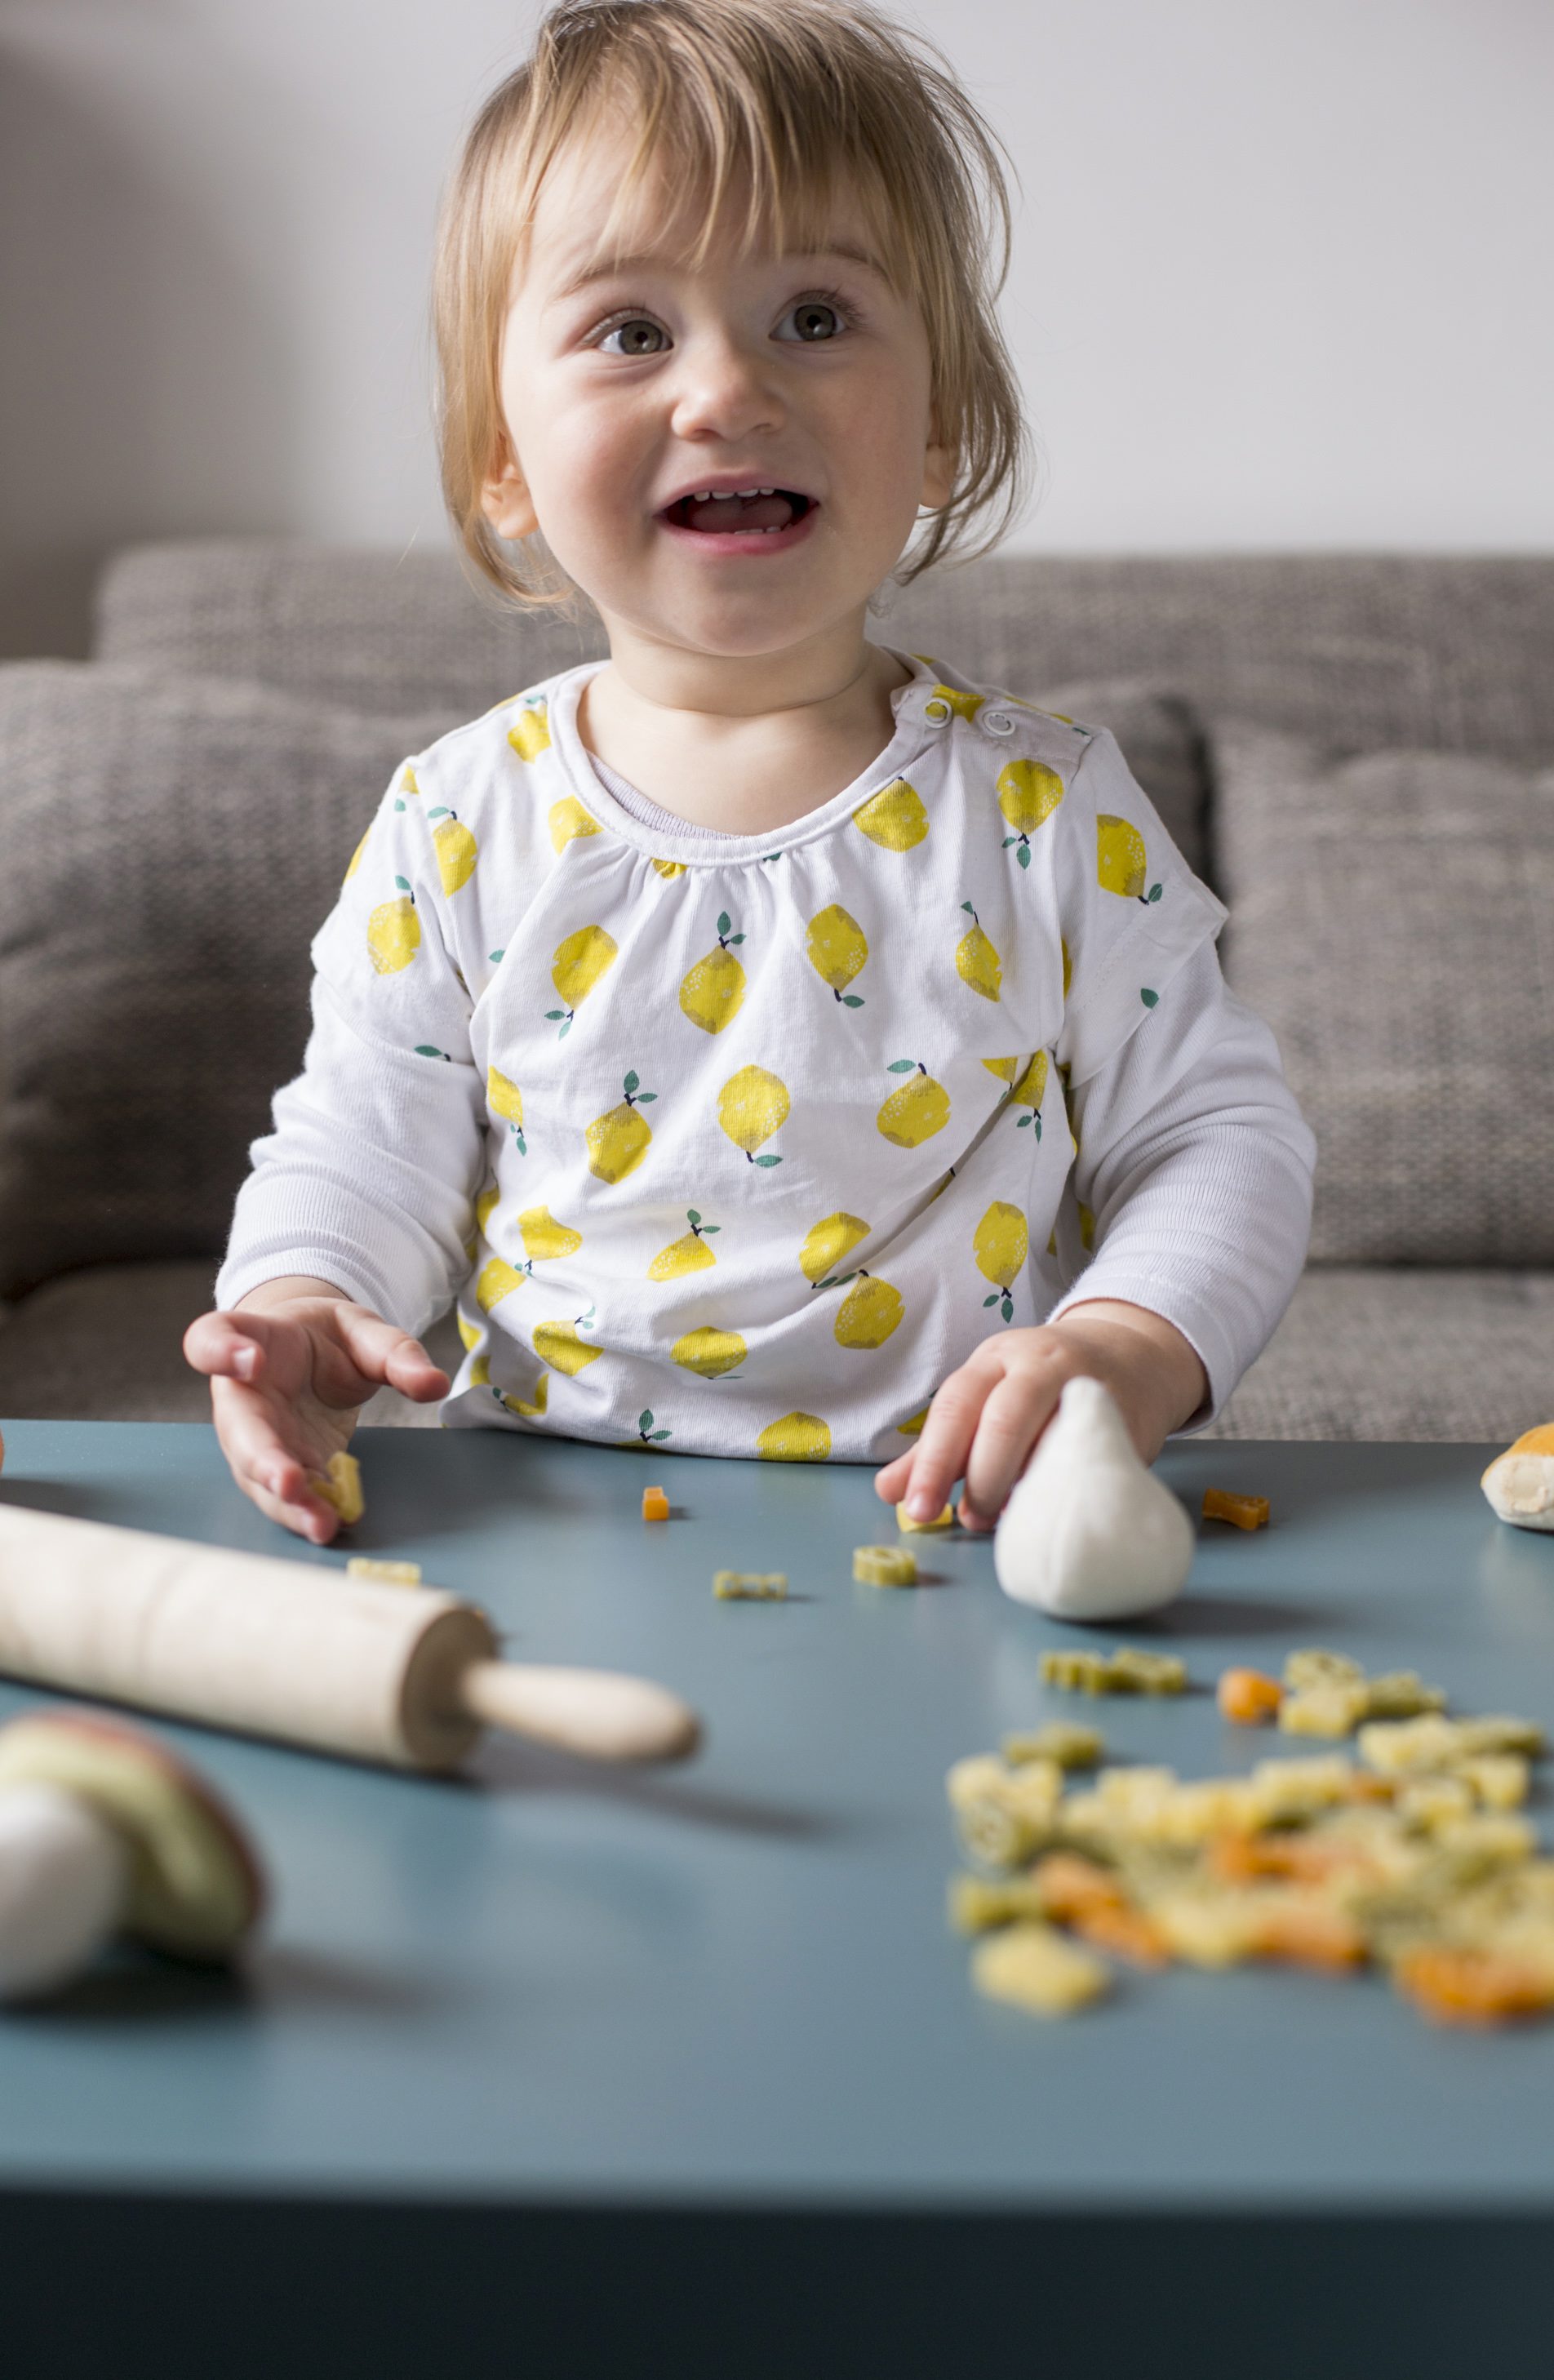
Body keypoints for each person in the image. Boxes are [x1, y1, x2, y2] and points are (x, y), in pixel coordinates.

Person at [185, 0, 1315, 1546]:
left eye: (817, 317)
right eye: (631, 332)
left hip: (964, 1525)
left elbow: (1216, 1140)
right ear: (501, 462)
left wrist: (1129, 1344)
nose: (726, 391)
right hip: (548, 1522)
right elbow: (361, 1141)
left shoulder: (1046, 812)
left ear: (940, 431)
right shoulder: (458, 819)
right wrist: (306, 1300)